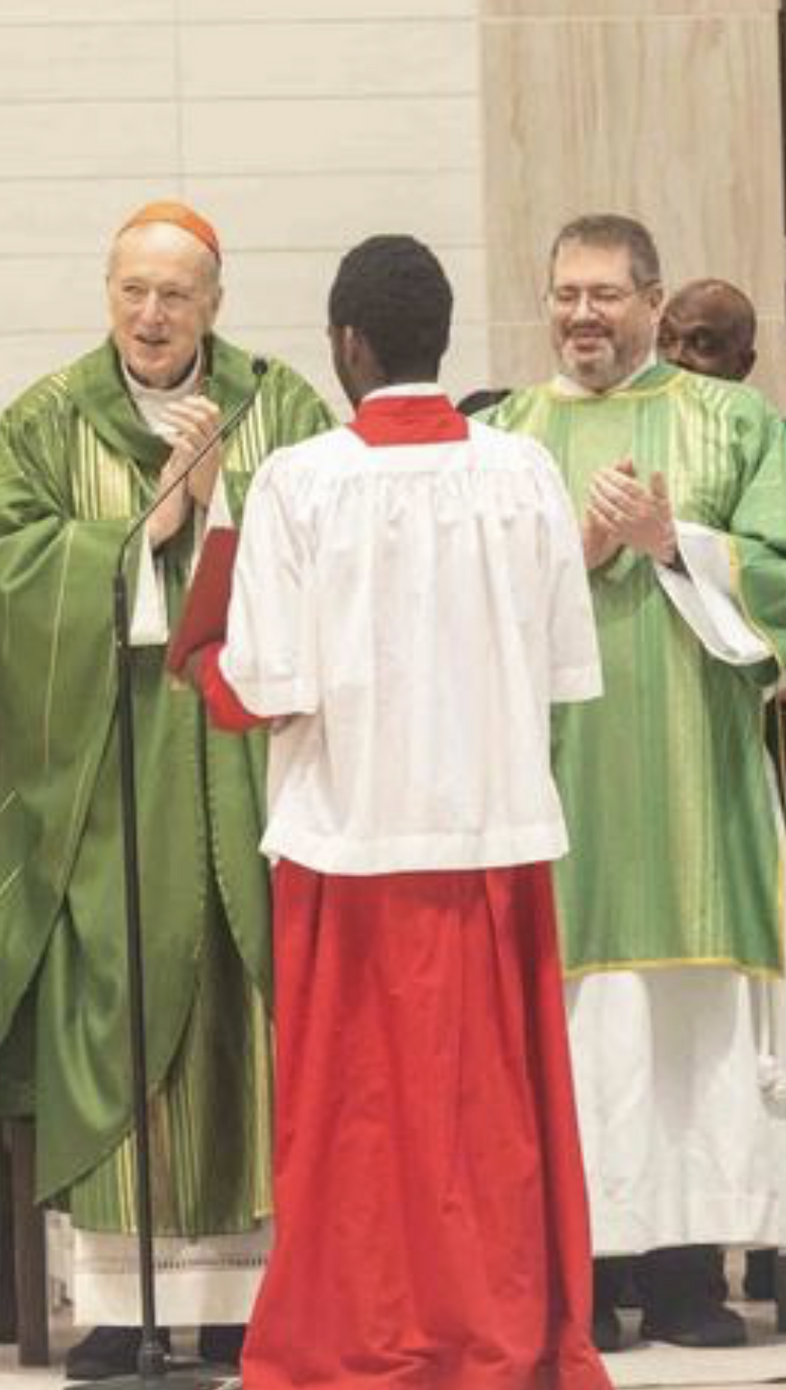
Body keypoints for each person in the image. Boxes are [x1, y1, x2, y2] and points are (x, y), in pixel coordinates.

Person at [181, 233, 610, 1389]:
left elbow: (269, 685)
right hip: (493, 838)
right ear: (440, 337)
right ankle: (503, 1330)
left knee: (357, 1123)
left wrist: (204, 658)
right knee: (490, 1115)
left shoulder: (299, 480)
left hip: (347, 842)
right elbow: (567, 664)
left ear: (345, 344)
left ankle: (360, 1334)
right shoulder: (522, 471)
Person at [0, 200, 334, 1375]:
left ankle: (244, 1304)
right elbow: (4, 570)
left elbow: (332, 555)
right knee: (112, 1002)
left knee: (239, 1004)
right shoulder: (45, 416)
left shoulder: (280, 408)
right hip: (105, 770)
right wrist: (146, 527)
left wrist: (229, 505)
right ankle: (120, 1313)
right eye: (133, 290)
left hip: (246, 766)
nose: (152, 314)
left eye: (176, 294)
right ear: (108, 294)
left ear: (215, 305)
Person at [483, 215, 786, 1350]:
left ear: (649, 298)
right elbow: (469, 609)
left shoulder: (728, 421)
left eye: (605, 296)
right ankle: (584, 1278)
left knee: (683, 1034)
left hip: (694, 781)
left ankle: (688, 1274)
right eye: (565, 294)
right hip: (560, 786)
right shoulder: (509, 436)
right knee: (583, 1034)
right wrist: (570, 557)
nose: (583, 316)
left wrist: (676, 540)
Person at [660, 278, 786, 712]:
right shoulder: (637, 444)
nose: (677, 359)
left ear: (744, 363)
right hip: (663, 695)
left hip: (775, 709)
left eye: (701, 344)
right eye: (666, 342)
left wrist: (694, 551)